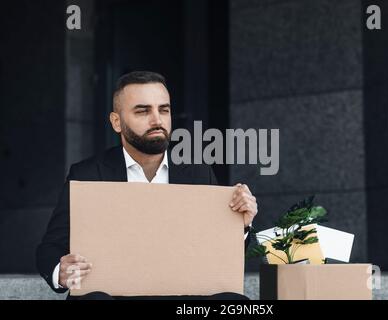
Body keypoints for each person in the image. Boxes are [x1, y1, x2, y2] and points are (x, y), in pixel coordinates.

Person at [36, 71, 258, 300]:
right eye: (143, 111)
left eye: (164, 110)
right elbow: (50, 247)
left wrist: (239, 226)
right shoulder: (88, 174)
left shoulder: (198, 173)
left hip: (183, 299)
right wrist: (59, 273)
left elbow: (219, 259)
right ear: (116, 122)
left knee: (236, 302)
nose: (157, 120)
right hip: (112, 297)